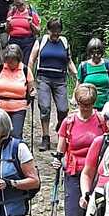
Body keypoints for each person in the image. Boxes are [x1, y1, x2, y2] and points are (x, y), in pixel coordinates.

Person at [52, 84, 106, 216]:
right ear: (77, 102)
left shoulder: (102, 121)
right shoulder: (69, 122)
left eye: (89, 104)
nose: (85, 108)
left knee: (97, 213)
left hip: (97, 172)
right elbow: (61, 148)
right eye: (82, 104)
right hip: (74, 171)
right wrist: (58, 159)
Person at [29, 18, 78, 151]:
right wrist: (30, 80)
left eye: (58, 31)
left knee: (63, 109)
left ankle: (60, 126)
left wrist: (77, 74)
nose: (55, 34)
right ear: (48, 30)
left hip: (60, 79)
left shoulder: (64, 42)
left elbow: (69, 61)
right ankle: (46, 138)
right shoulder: (41, 41)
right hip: (43, 78)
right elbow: (32, 60)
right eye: (53, 31)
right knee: (45, 108)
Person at [0, 44, 35, 139]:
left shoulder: (25, 70)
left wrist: (32, 93)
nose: (10, 62)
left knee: (15, 136)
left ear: (18, 59)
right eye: (8, 60)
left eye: (13, 60)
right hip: (0, 107)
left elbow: (31, 89)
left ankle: (14, 153)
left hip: (19, 108)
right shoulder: (0, 68)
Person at [75, 38, 109, 111]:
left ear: (102, 52)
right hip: (87, 106)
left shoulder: (108, 65)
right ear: (89, 53)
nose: (95, 55)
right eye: (92, 53)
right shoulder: (83, 66)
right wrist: (76, 101)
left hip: (106, 106)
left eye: (98, 53)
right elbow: (78, 87)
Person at [5, 0, 40, 67]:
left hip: (28, 41)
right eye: (16, 5)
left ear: (25, 2)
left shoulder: (31, 13)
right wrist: (8, 24)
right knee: (13, 62)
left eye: (21, 4)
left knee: (25, 63)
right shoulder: (12, 12)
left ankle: (25, 77)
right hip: (14, 40)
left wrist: (31, 24)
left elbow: (38, 31)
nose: (19, 7)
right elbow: (7, 31)